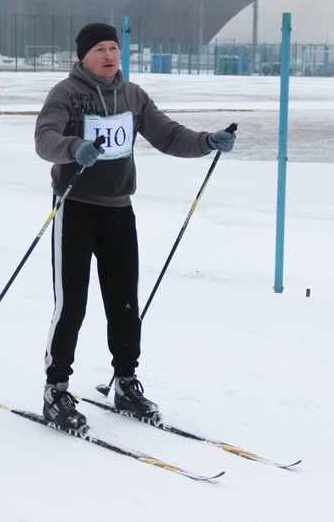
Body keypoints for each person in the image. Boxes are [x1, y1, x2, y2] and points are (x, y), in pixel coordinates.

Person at [34, 22, 236, 432]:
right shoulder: (67, 93)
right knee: (72, 304)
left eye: (114, 48)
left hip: (119, 210)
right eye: (100, 49)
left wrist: (206, 141)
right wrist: (75, 147)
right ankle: (56, 389)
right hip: (75, 209)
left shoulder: (132, 96)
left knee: (125, 302)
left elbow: (167, 135)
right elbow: (44, 138)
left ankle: (126, 382)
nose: (109, 56)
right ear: (83, 56)